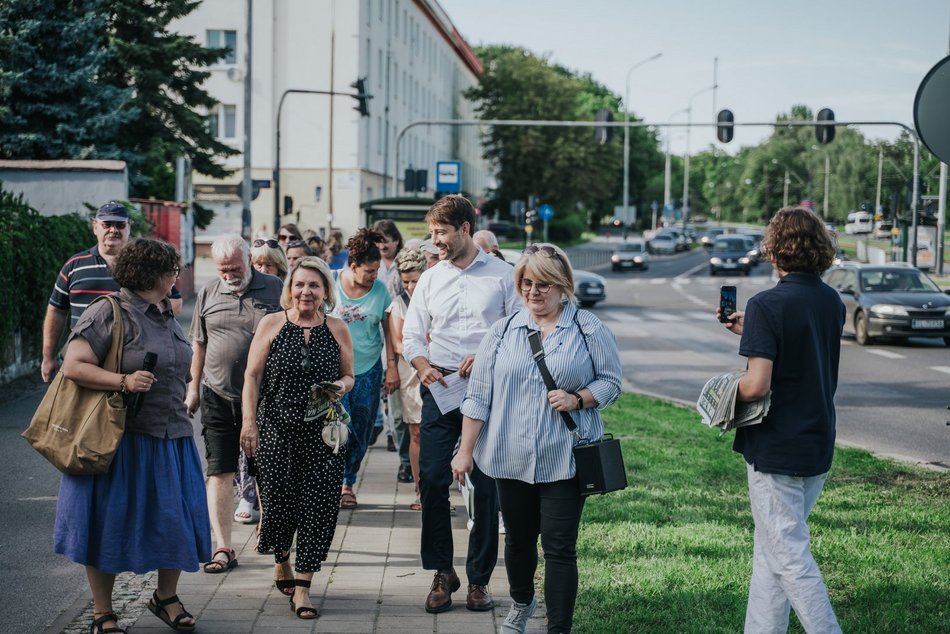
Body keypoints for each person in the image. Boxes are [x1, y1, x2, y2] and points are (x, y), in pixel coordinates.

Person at [451, 242, 622, 634]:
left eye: (543, 284)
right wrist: (465, 451)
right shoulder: (504, 331)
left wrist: (579, 398)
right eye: (526, 283)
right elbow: (478, 396)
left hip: (564, 457)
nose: (533, 292)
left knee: (560, 549)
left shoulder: (588, 328)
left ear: (563, 286)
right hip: (509, 458)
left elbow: (612, 383)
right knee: (518, 542)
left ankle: (558, 627)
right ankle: (522, 602)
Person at [55, 238, 210, 634]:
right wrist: (122, 380)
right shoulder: (108, 312)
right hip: (121, 441)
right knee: (108, 524)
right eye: (173, 270)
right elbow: (72, 365)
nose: (177, 277)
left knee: (175, 520)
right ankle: (103, 612)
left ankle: (165, 597)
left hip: (171, 435)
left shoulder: (164, 312)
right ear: (153, 274)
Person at [718, 206, 845, 634]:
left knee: (789, 555)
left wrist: (719, 393)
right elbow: (800, 348)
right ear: (820, 249)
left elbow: (756, 386)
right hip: (817, 441)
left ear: (774, 248)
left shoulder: (767, 304)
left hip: (777, 448)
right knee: (771, 551)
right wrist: (751, 330)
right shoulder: (831, 300)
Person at [402, 194, 521, 614]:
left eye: (441, 233)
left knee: (486, 487)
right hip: (442, 389)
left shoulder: (505, 275)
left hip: (489, 391)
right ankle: (441, 572)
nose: (434, 241)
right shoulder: (432, 278)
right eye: (432, 232)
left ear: (465, 229)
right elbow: (412, 335)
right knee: (432, 479)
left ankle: (479, 580)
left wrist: (488, 353)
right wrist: (421, 364)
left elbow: (521, 332)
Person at [240, 256, 355, 620]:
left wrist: (340, 386)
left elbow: (349, 375)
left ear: (325, 291)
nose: (306, 291)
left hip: (322, 433)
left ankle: (303, 588)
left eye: (314, 285)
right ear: (290, 289)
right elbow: (252, 377)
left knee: (319, 506)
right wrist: (248, 423)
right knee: (278, 503)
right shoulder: (272, 324)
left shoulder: (337, 328)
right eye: (300, 284)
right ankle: (282, 558)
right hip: (275, 427)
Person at [185, 235, 283, 575]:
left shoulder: (275, 289)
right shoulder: (209, 292)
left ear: (248, 259)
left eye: (235, 268)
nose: (229, 275)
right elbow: (199, 343)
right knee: (219, 470)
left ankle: (270, 529)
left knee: (270, 468)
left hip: (268, 398)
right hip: (218, 394)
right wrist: (193, 388)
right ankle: (223, 546)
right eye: (223, 269)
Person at [42, 202, 182, 383]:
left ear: (129, 227)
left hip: (129, 359)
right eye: (107, 224)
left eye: (120, 225)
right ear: (95, 227)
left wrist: (141, 314)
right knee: (75, 409)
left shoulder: (146, 265)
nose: (113, 229)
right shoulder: (74, 265)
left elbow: (175, 303)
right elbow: (57, 311)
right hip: (82, 357)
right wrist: (48, 357)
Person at [331, 228, 400, 508]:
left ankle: (348, 482)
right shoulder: (331, 283)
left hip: (368, 370)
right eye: (370, 271)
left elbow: (389, 332)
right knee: (337, 428)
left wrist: (391, 366)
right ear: (353, 265)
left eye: (376, 270)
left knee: (361, 429)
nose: (374, 275)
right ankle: (332, 482)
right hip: (334, 373)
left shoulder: (380, 291)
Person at [387, 248, 427, 510]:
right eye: (406, 281)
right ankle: (420, 489)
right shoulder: (399, 303)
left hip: (439, 370)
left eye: (415, 280)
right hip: (411, 371)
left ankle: (437, 487)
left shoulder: (437, 297)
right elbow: (398, 342)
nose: (411, 286)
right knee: (416, 431)